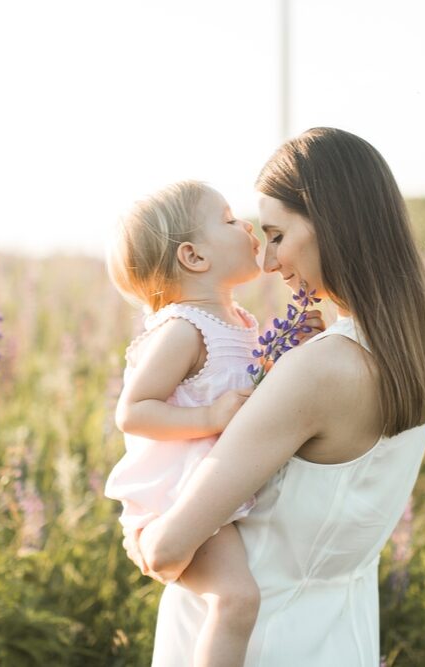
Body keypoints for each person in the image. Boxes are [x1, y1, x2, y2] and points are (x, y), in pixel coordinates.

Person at [126, 128, 425, 666]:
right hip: (340, 636)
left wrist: (143, 537)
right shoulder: (414, 350)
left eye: (277, 235)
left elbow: (167, 550)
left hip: (258, 644)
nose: (268, 261)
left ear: (332, 224)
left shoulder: (321, 368)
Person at [104, 180, 324, 666]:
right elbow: (133, 411)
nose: (246, 226)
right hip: (179, 498)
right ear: (194, 257)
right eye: (228, 221)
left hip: (217, 487)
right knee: (236, 601)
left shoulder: (239, 321)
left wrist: (297, 347)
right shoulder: (183, 329)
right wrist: (207, 416)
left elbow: (257, 388)